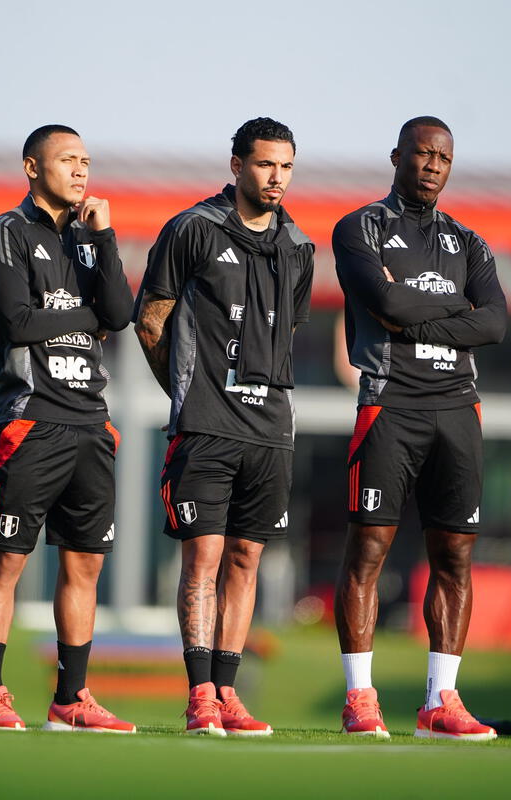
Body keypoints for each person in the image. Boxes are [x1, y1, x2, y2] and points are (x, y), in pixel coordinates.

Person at [134, 118, 314, 736]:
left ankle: (230, 692)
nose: (276, 178)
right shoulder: (193, 229)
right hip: (206, 428)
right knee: (202, 561)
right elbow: (151, 319)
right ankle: (200, 693)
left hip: (271, 432)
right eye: (265, 165)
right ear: (236, 165)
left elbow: (283, 335)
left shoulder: (299, 246)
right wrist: (186, 394)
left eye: (286, 166)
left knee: (247, 559)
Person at [333, 116, 507, 740]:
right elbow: (386, 305)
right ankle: (360, 697)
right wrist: (442, 310)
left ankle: (442, 700)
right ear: (397, 156)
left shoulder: (470, 244)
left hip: (458, 410)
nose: (433, 165)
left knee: (454, 557)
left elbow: (493, 325)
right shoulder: (361, 228)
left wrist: (415, 318)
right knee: (370, 552)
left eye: (443, 157)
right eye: (422, 153)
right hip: (389, 405)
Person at [0, 125, 135, 732]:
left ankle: (71, 699)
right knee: (6, 561)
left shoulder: (91, 242)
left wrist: (107, 237)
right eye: (68, 159)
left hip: (91, 423)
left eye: (86, 161)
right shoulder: (6, 232)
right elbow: (18, 321)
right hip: (31, 419)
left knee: (85, 564)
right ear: (32, 167)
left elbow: (118, 315)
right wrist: (82, 316)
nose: (80, 170)